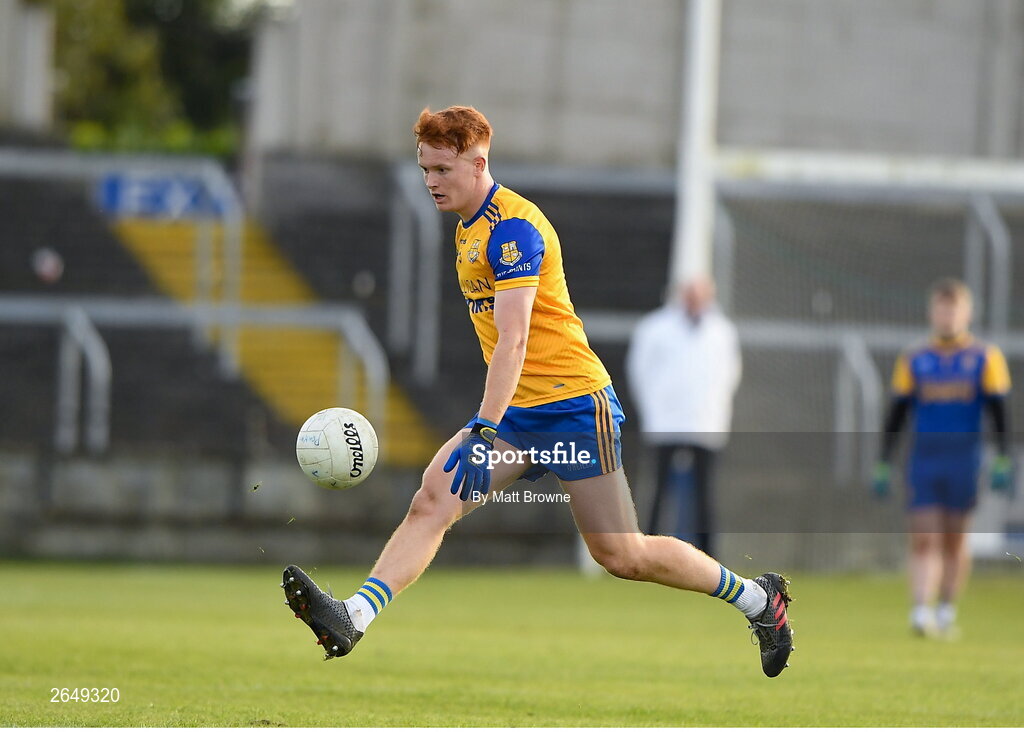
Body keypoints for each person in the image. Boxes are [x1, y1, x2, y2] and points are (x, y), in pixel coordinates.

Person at [281, 106, 793, 676]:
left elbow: (515, 341)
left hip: (574, 407)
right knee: (432, 500)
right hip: (520, 414)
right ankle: (353, 616)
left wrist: (483, 428)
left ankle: (757, 599)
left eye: (443, 170)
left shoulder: (513, 231)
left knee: (622, 553)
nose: (431, 181)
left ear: (479, 164)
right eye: (425, 168)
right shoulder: (466, 228)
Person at [873, 278, 1013, 638]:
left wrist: (1002, 458)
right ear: (932, 312)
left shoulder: (985, 357)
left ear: (966, 313)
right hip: (925, 460)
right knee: (924, 536)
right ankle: (921, 611)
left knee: (954, 539)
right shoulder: (915, 359)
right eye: (941, 308)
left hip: (964, 461)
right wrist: (884, 461)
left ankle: (947, 609)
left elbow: (1000, 413)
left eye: (953, 309)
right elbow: (897, 414)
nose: (947, 315)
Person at [626, 276, 741, 555]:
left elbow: (729, 375)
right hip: (665, 420)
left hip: (705, 421)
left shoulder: (722, 331)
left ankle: (709, 556)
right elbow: (639, 371)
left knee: (705, 493)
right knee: (659, 489)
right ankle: (648, 550)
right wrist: (653, 408)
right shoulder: (655, 327)